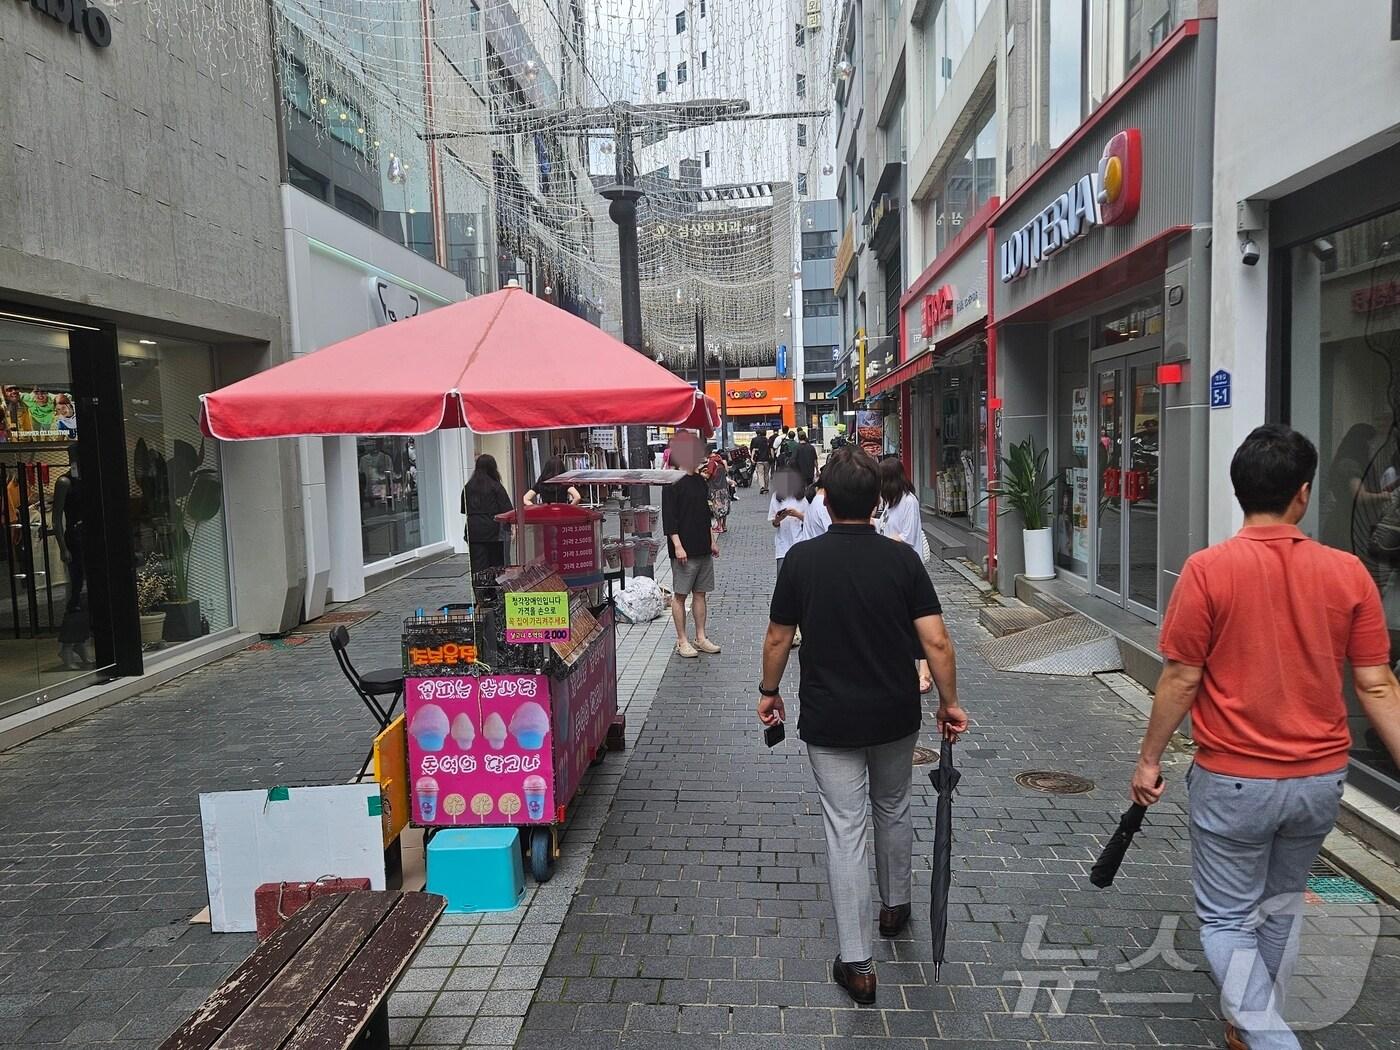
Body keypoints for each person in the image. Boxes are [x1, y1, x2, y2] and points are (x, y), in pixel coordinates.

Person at [1130, 425, 1400, 1050]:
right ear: (1303, 495)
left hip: (1233, 779)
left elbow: (1180, 677)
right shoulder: (1349, 573)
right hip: (1318, 781)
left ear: (1239, 490)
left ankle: (1268, 1032)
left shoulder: (1207, 571)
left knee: (1227, 916)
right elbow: (1378, 687)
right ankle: (1251, 1024)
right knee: (1280, 907)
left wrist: (1148, 760)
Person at [758, 450, 968, 1005]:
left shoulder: (803, 562)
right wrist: (949, 702)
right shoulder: (903, 561)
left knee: (844, 826)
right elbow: (938, 640)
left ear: (823, 498)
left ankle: (857, 963)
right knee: (894, 804)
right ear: (877, 502)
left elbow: (778, 638)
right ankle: (895, 906)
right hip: (895, 710)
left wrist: (769, 691)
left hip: (830, 717)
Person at [662, 432, 722, 659]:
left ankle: (701, 637)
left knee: (700, 593)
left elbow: (705, 515)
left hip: (703, 547)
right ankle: (682, 640)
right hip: (683, 549)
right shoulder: (671, 483)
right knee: (680, 595)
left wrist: (712, 540)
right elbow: (670, 520)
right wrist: (678, 546)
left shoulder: (699, 480)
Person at [876, 457, 933, 692]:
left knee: (916, 623)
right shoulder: (890, 502)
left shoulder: (908, 501)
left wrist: (878, 540)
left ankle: (925, 674)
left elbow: (907, 537)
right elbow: (883, 527)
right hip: (891, 569)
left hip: (908, 570)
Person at [461, 454, 513, 571]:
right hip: (494, 530)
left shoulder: (468, 487)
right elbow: (507, 510)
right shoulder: (496, 487)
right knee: (497, 563)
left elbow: (464, 510)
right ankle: (495, 587)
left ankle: (480, 587)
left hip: (473, 530)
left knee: (477, 564)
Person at [704, 446, 731, 533]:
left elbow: (708, 476)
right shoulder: (719, 459)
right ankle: (724, 525)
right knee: (724, 506)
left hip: (715, 487)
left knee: (717, 507)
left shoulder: (711, 462)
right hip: (724, 486)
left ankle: (719, 526)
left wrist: (699, 473)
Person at [751, 429, 773, 494]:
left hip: (759, 460)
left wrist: (752, 458)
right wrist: (772, 457)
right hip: (767, 460)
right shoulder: (768, 440)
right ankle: (766, 487)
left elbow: (754, 450)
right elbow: (771, 450)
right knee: (766, 474)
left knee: (760, 474)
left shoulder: (757, 441)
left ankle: (762, 487)